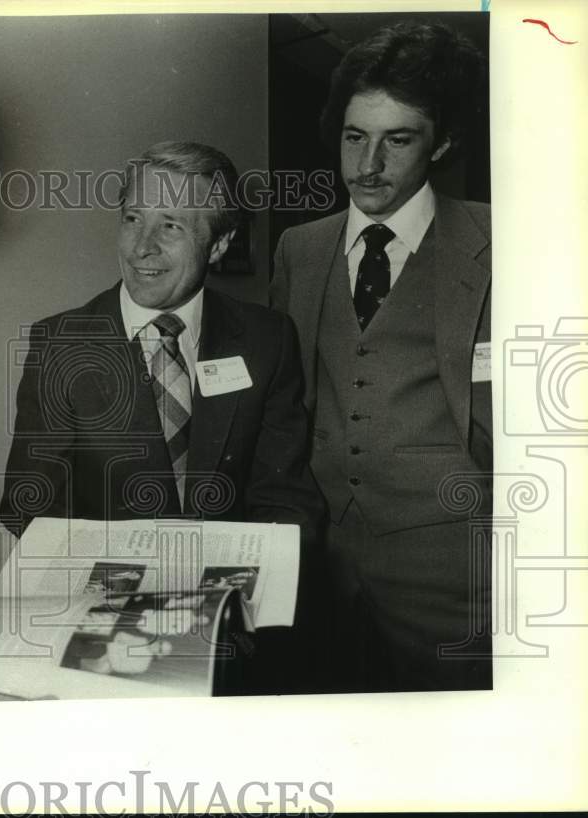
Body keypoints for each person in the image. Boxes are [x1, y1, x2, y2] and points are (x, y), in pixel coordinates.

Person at [2, 142, 325, 692]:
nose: (142, 247)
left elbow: (287, 499)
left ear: (219, 243)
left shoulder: (267, 340)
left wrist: (247, 605)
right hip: (102, 640)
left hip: (230, 631)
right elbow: (29, 505)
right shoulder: (60, 344)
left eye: (171, 225)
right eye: (132, 218)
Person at [270, 22, 492, 691]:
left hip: (454, 574)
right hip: (323, 569)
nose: (368, 164)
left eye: (398, 139)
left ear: (443, 142)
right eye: (353, 136)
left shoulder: (502, 242)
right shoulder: (298, 249)